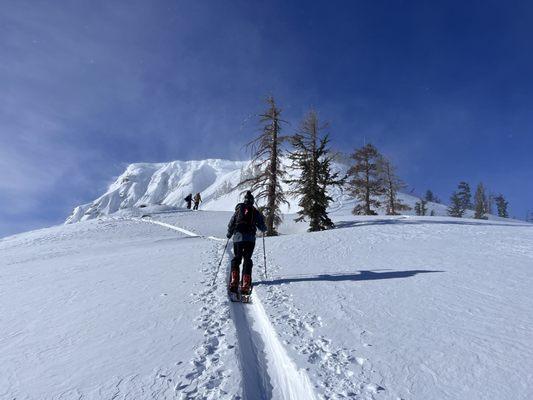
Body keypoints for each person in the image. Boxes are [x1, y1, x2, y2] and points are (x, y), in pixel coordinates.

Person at [226, 191, 267, 295]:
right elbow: (262, 226)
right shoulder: (254, 211)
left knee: (237, 258)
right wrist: (263, 228)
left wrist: (229, 234)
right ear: (252, 201)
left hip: (238, 238)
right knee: (247, 259)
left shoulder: (238, 210)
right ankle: (246, 283)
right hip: (250, 239)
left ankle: (234, 281)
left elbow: (231, 223)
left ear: (244, 200)